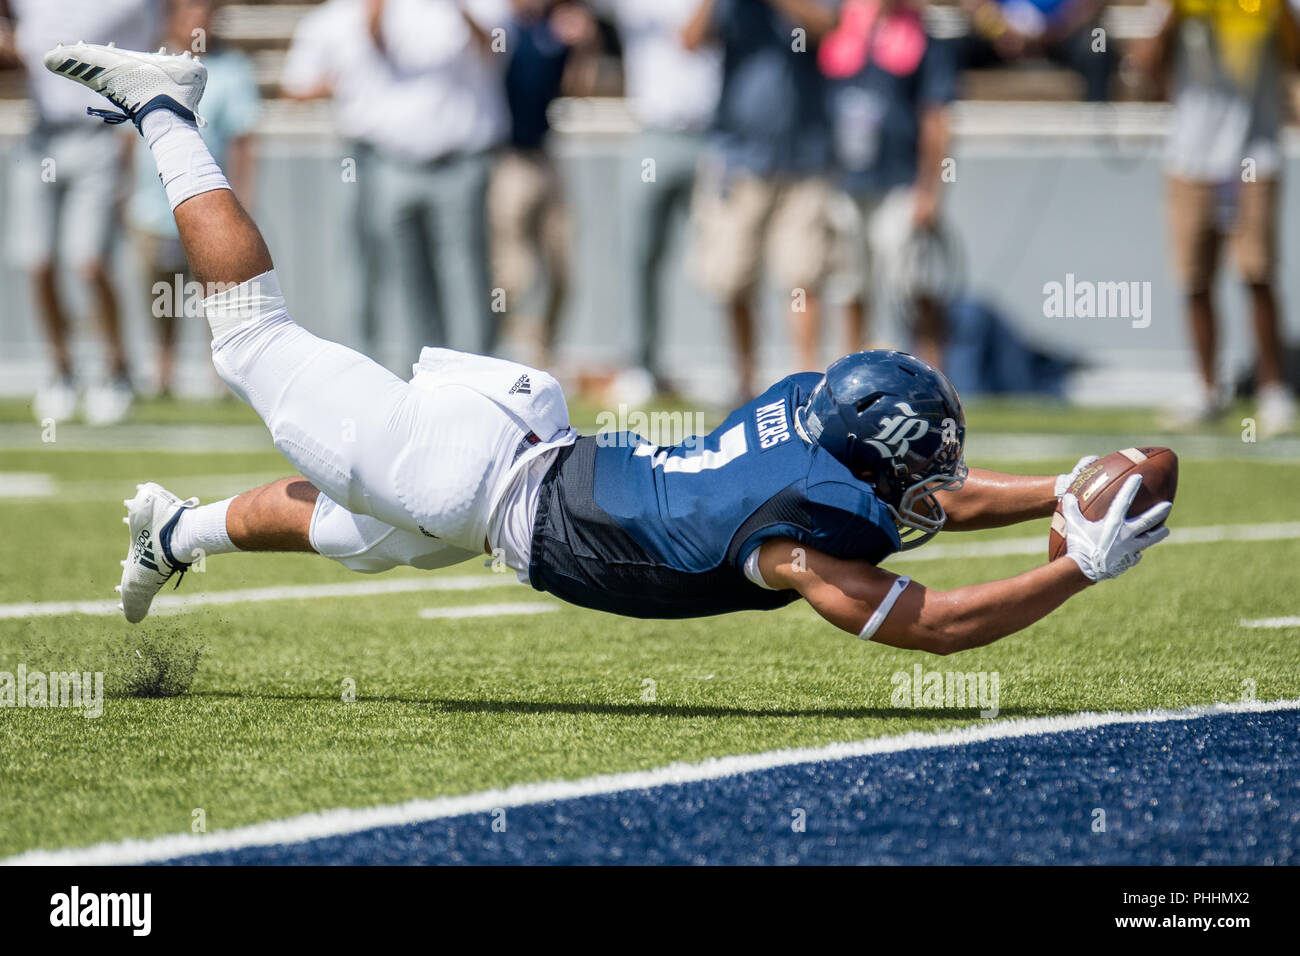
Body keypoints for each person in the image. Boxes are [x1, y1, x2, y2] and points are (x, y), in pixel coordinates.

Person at [50, 42, 1170, 653]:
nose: (937, 482)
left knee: (358, 529)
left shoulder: (808, 403)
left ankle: (175, 531)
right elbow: (934, 622)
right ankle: (167, 110)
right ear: (862, 460)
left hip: (515, 456)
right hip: (484, 470)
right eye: (918, 464)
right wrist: (1073, 565)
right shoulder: (788, 540)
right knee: (253, 338)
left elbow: (935, 496)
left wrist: (1060, 488)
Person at [284, 0, 509, 358]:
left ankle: (477, 369)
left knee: (465, 275)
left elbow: (497, 51)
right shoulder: (368, 12)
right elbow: (371, 49)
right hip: (395, 163)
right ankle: (423, 369)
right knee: (407, 279)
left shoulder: (482, 6)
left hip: (461, 161)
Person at [1133, 0, 1297, 436]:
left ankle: (1272, 389)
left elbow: (1296, 55)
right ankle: (1206, 389)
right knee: (1194, 278)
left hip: (1255, 155)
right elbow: (1144, 63)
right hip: (1191, 158)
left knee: (1257, 274)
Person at [3, 0, 158, 424]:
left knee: (88, 262)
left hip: (99, 135)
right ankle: (61, 372)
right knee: (37, 262)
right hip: (41, 137)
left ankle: (116, 371)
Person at [683, 0, 840, 400]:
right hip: (737, 160)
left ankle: (807, 386)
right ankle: (745, 383)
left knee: (803, 276)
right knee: (731, 278)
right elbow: (690, 41)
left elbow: (829, 28)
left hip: (804, 159)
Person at [129, 0, 259, 397]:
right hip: (155, 209)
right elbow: (126, 139)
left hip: (211, 208)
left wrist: (242, 202)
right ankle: (162, 373)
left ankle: (223, 378)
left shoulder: (232, 69)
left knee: (220, 299)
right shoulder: (147, 66)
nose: (198, 20)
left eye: (205, 12)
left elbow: (241, 139)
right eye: (188, 11)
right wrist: (124, 195)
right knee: (161, 299)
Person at [820, 0, 958, 369]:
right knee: (849, 287)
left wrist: (930, 191)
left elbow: (936, 119)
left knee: (915, 287)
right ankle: (849, 378)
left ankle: (933, 377)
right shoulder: (839, 29)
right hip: (846, 184)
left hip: (900, 185)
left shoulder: (924, 39)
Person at [600, 0, 723, 399]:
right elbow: (688, 37)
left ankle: (721, 365)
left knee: (720, 259)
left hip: (715, 137)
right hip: (654, 135)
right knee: (638, 254)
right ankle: (639, 365)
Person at [489, 0, 598, 368]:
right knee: (512, 275)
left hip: (544, 158)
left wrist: (582, 47)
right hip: (505, 160)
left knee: (561, 268)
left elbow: (578, 91)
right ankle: (500, 355)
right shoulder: (498, 27)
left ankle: (543, 357)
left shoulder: (552, 30)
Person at [959, 0, 1113, 102]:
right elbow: (971, 4)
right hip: (998, 36)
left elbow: (1093, 4)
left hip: (1064, 34)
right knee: (952, 42)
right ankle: (945, 114)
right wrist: (998, 29)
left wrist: (1051, 30)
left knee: (1098, 43)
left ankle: (1098, 120)